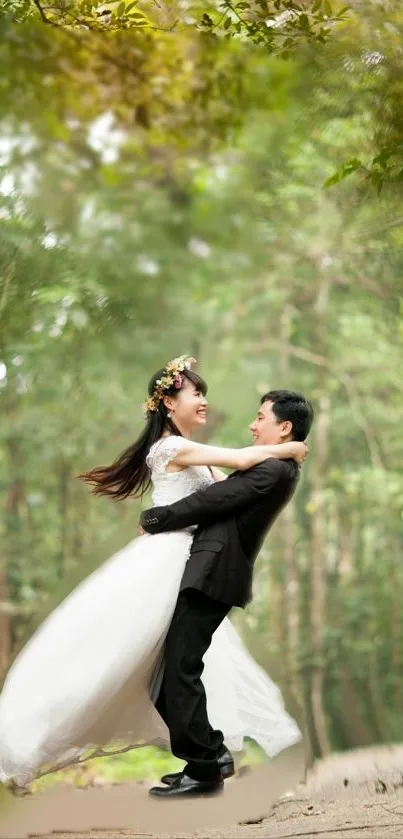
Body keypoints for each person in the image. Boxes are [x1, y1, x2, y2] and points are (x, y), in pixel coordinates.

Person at [0, 356, 307, 792]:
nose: (203, 401)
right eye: (195, 393)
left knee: (172, 665)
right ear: (168, 401)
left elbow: (227, 490)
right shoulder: (171, 447)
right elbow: (242, 460)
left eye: (203, 393)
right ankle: (206, 756)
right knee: (152, 665)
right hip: (164, 563)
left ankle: (207, 756)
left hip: (189, 561)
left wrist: (274, 457)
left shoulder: (192, 452)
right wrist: (288, 448)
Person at [141, 383, 314, 798]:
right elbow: (226, 482)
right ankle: (211, 755)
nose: (253, 426)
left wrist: (154, 518)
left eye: (260, 418)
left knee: (177, 671)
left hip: (213, 573)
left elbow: (213, 500)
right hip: (206, 570)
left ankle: (204, 767)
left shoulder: (274, 470)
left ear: (284, 427)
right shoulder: (273, 465)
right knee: (173, 670)